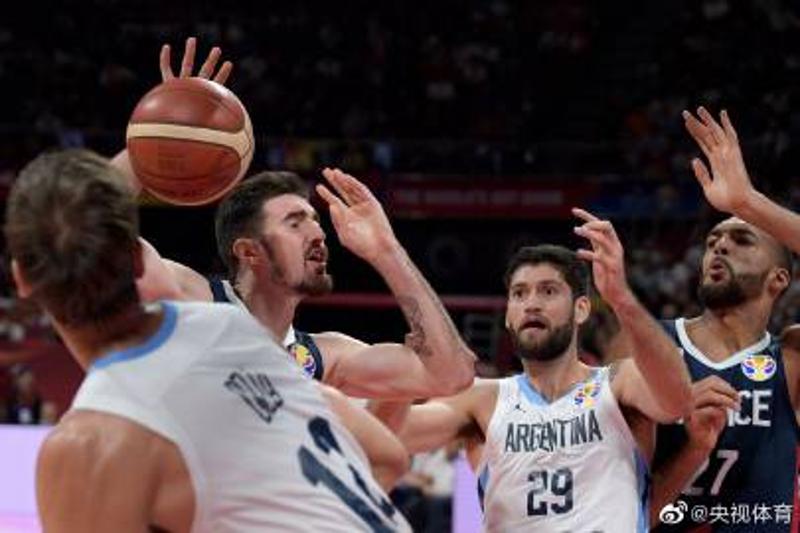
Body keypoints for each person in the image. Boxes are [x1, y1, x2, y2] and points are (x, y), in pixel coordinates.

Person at [6, 149, 411, 531]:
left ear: (21, 280)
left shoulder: (86, 445)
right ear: (139, 261)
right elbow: (387, 457)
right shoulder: (234, 329)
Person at [125, 38, 476, 400]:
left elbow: (451, 377)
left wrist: (387, 251)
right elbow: (91, 234)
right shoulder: (190, 300)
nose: (318, 234)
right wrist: (155, 140)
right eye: (294, 223)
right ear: (249, 251)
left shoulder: (322, 359)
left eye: (315, 221)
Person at [394, 210, 693, 532]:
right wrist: (388, 252)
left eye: (548, 291)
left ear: (581, 309)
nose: (531, 304)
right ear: (508, 316)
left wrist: (621, 298)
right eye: (519, 294)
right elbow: (388, 436)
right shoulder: (481, 400)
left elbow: (678, 400)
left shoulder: (618, 383)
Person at [650, 107, 800, 532]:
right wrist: (692, 447)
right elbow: (622, 508)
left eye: (741, 239)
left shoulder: (791, 358)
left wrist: (748, 203)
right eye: (713, 239)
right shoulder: (652, 344)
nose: (719, 246)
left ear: (779, 279)